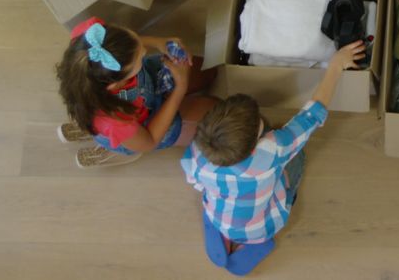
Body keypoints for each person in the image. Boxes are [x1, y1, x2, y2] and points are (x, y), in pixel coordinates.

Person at [181, 41, 365, 276]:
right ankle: (252, 240)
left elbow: (194, 180)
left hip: (220, 217)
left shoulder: (198, 150)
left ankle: (229, 234)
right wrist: (336, 65)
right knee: (297, 157)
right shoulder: (271, 150)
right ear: (255, 144)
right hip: (264, 226)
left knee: (226, 207)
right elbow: (312, 115)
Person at [55, 17, 219, 169]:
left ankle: (99, 132)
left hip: (143, 89)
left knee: (209, 70)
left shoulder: (92, 35)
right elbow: (149, 141)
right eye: (139, 57)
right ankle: (116, 146)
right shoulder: (113, 119)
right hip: (146, 128)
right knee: (216, 115)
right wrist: (180, 89)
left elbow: (127, 44)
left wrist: (157, 42)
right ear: (114, 84)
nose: (145, 51)